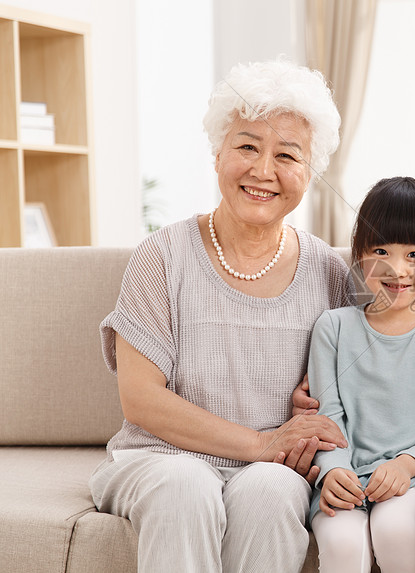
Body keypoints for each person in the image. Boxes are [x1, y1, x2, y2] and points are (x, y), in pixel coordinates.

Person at [89, 57, 353, 573]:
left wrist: (316, 416)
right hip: (159, 460)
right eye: (247, 146)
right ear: (217, 154)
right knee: (186, 486)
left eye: (288, 155)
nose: (263, 170)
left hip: (274, 468)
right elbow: (140, 399)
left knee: (274, 492)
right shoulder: (162, 256)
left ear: (310, 171)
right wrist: (259, 442)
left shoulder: (328, 271)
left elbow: (357, 382)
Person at [306, 177, 415, 573]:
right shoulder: (333, 328)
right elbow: (326, 417)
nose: (397, 269)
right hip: (344, 479)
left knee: (395, 529)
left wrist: (406, 466)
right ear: (359, 254)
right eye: (380, 250)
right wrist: (334, 470)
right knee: (341, 542)